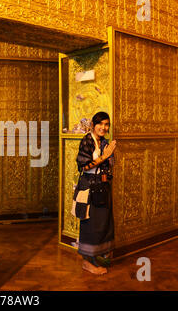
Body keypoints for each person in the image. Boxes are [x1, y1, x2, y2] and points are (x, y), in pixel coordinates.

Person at [74, 111, 117, 275]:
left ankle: (100, 255)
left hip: (103, 186)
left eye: (106, 124)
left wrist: (110, 156)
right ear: (93, 125)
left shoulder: (104, 141)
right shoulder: (87, 141)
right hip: (90, 187)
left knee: (104, 223)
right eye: (100, 124)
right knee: (90, 224)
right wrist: (104, 156)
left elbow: (108, 165)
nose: (104, 127)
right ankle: (87, 262)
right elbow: (83, 166)